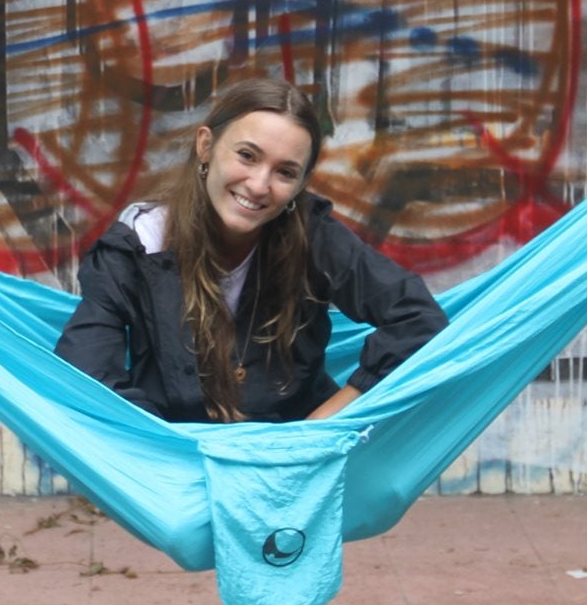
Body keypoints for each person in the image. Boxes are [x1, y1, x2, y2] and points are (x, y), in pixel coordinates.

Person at [56, 77, 447, 423]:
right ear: (206, 146)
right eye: (247, 155)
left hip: (300, 459)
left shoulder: (314, 235)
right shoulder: (137, 246)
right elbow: (87, 372)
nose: (259, 185)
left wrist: (321, 425)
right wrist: (173, 454)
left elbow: (418, 319)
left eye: (285, 172)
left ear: (301, 183)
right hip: (173, 462)